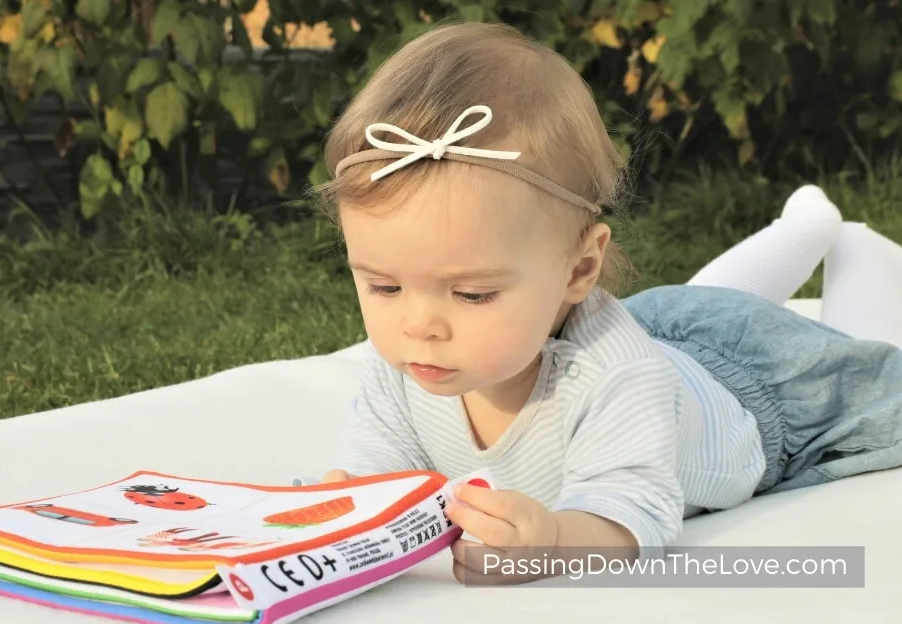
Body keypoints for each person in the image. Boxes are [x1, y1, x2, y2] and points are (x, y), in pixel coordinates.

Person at [309, 21, 902, 584]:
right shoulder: (409, 364)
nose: (418, 325)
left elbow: (633, 513)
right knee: (712, 308)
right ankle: (805, 228)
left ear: (581, 270)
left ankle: (859, 255)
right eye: (384, 287)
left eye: (473, 294)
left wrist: (554, 542)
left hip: (752, 399)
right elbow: (380, 475)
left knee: (865, 374)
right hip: (673, 339)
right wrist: (348, 505)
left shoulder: (617, 375)